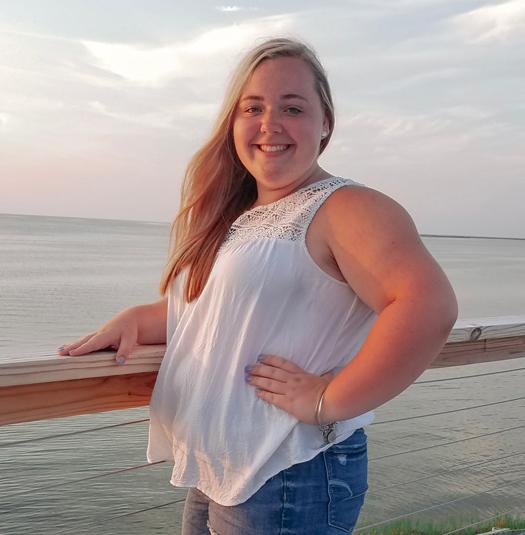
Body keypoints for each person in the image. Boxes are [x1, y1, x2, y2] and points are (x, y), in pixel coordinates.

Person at [58, 37, 457, 534]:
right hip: (225, 466)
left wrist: (328, 400)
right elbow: (215, 310)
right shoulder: (243, 216)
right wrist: (133, 320)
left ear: (325, 122)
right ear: (234, 122)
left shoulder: (344, 206)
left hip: (290, 468)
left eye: (292, 107)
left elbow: (428, 307)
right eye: (254, 107)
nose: (270, 123)